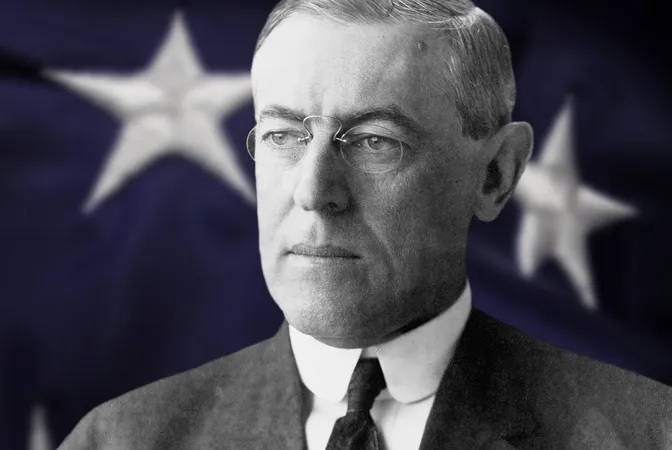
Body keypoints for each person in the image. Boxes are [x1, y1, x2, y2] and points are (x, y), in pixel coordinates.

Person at [59, 0, 672, 448]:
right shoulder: (120, 441)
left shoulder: (646, 434)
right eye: (283, 135)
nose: (313, 192)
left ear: (495, 175)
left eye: (376, 141)